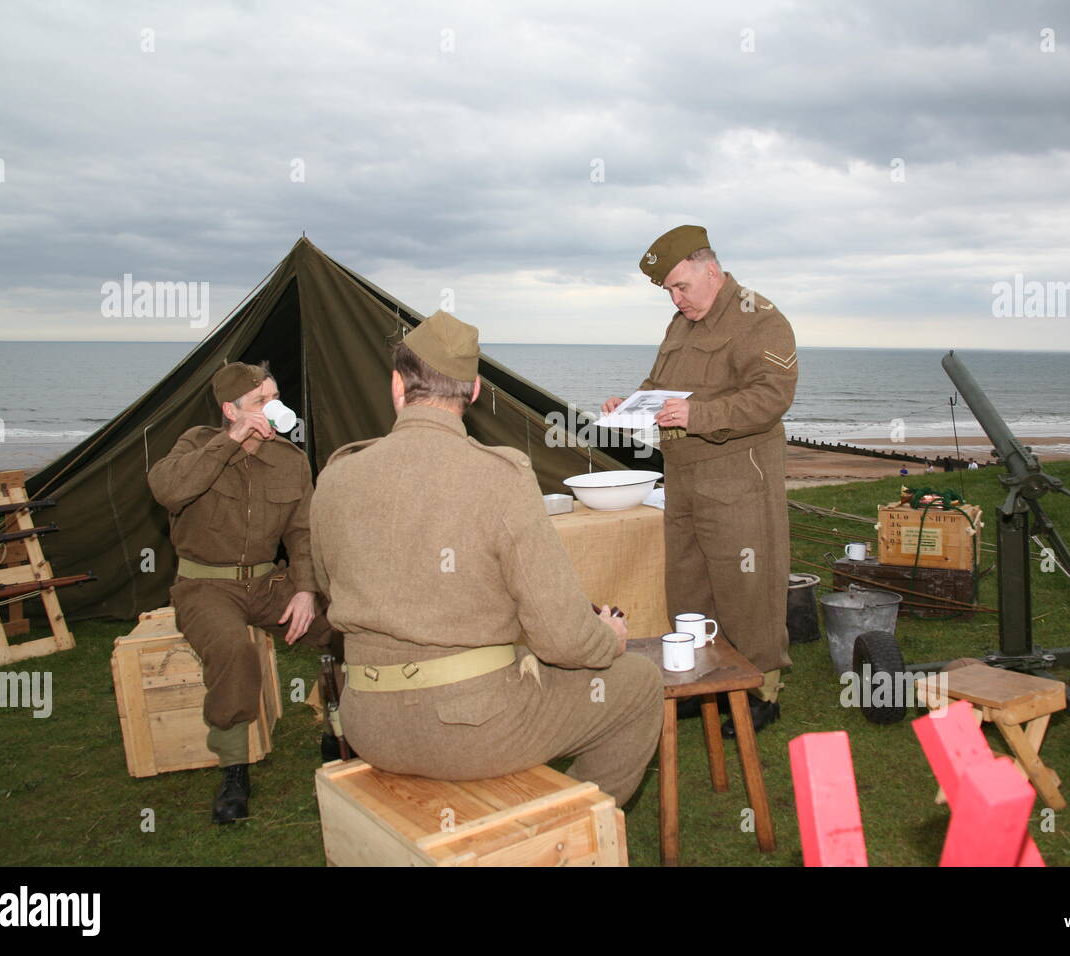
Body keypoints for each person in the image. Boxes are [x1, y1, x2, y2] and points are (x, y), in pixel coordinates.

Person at [310, 311, 662, 806]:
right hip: (471, 728)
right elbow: (562, 637)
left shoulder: (337, 476)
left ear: (396, 385)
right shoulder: (501, 477)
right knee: (638, 683)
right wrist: (607, 640)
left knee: (515, 660)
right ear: (473, 392)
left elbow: (330, 586)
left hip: (370, 724)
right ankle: (568, 833)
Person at [603, 225, 797, 737]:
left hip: (738, 475)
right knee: (689, 583)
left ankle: (760, 689)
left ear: (711, 270)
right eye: (668, 290)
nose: (675, 298)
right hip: (684, 475)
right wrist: (630, 405)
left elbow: (770, 398)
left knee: (745, 585)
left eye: (681, 286)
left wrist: (697, 414)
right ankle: (702, 681)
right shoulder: (681, 323)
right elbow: (659, 385)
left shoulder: (761, 318)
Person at [148, 362, 341, 824]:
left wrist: (306, 590)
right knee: (234, 650)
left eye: (275, 398)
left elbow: (302, 533)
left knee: (345, 627)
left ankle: (339, 727)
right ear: (230, 409)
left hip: (267, 582)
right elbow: (167, 491)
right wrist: (230, 440)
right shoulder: (196, 446)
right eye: (261, 402)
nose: (272, 409)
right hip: (205, 585)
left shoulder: (289, 459)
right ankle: (234, 767)